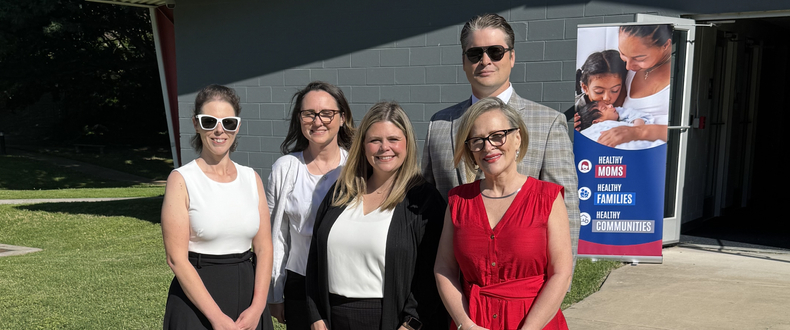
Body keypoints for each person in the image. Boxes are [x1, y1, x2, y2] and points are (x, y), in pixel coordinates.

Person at [422, 13, 579, 268]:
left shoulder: (548, 123)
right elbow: (428, 207)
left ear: (512, 57)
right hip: (452, 284)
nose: (485, 61)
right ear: (464, 61)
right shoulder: (439, 125)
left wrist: (559, 286)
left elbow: (567, 209)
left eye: (495, 52)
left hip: (522, 286)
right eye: (475, 53)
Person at [306, 101, 448, 330]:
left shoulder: (424, 200)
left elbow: (432, 274)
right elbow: (314, 256)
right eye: (375, 140)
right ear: (363, 145)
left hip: (391, 322)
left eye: (393, 139)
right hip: (332, 320)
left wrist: (412, 323)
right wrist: (315, 315)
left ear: (408, 143)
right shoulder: (342, 191)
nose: (384, 148)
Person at [434, 97, 573, 330]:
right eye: (477, 141)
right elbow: (444, 268)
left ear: (517, 137)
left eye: (498, 136)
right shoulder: (458, 201)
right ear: (470, 149)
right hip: (474, 322)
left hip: (534, 322)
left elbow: (561, 273)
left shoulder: (547, 198)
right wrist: (464, 323)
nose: (488, 146)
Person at [161, 84, 274, 330]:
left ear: (238, 126)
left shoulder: (251, 178)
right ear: (196, 124)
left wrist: (258, 307)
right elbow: (176, 259)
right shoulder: (182, 180)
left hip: (248, 298)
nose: (219, 130)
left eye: (228, 122)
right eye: (209, 121)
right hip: (198, 304)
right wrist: (217, 318)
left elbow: (264, 248)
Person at [266, 81, 355, 330]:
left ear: (342, 118)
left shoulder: (357, 168)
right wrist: (275, 293)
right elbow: (277, 237)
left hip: (348, 284)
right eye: (309, 114)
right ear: (299, 119)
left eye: (327, 113)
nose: (318, 121)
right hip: (300, 284)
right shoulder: (285, 168)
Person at [595, 24, 673, 147]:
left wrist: (639, 132)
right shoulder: (626, 71)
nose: (629, 66)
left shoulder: (684, 74)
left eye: (639, 58)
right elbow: (613, 112)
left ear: (666, 45)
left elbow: (687, 129)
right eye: (623, 54)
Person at [576, 101, 662, 150]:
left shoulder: (619, 120)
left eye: (607, 104)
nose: (610, 105)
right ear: (596, 122)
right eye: (605, 108)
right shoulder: (591, 130)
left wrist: (637, 128)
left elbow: (636, 118)